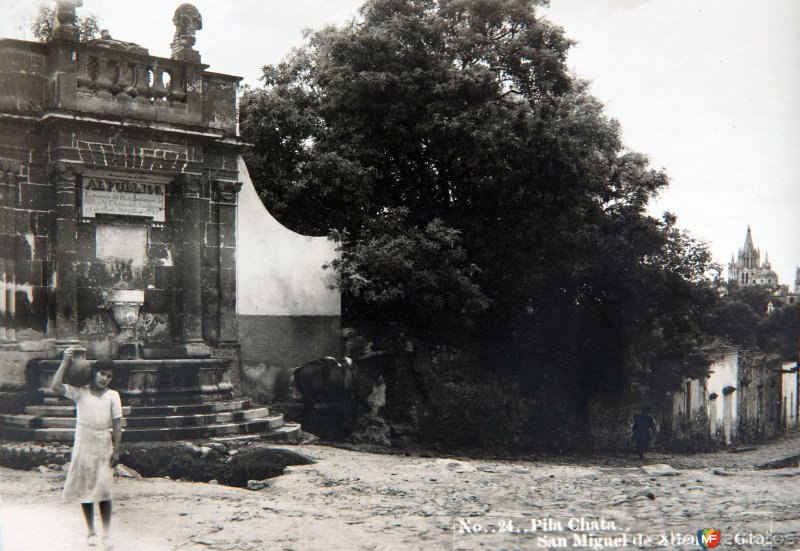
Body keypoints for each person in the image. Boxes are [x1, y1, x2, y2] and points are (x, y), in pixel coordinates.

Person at [51, 349, 123, 548]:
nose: (105, 379)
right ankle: (91, 531)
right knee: (86, 490)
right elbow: (55, 386)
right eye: (102, 374)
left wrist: (116, 450)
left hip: (103, 445)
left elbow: (117, 425)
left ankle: (106, 534)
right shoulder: (80, 391)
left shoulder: (113, 396)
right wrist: (65, 361)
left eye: (109, 376)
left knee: (104, 491)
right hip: (84, 444)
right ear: (94, 372)